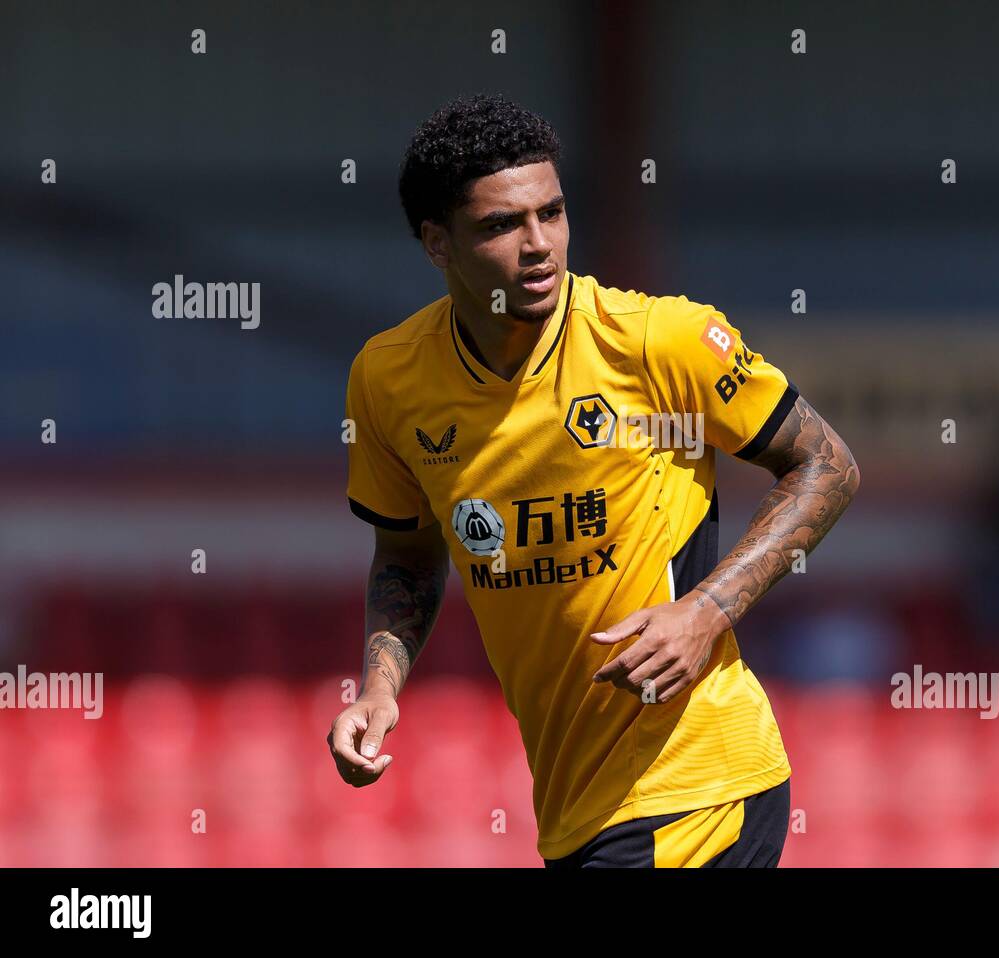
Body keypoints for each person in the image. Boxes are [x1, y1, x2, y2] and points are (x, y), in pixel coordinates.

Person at [326, 93, 859, 867]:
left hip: (696, 781)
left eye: (552, 212)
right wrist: (379, 689)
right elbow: (407, 554)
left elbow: (827, 464)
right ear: (437, 244)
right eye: (502, 225)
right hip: (579, 809)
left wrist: (704, 612)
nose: (539, 245)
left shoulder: (657, 341)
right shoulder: (388, 380)